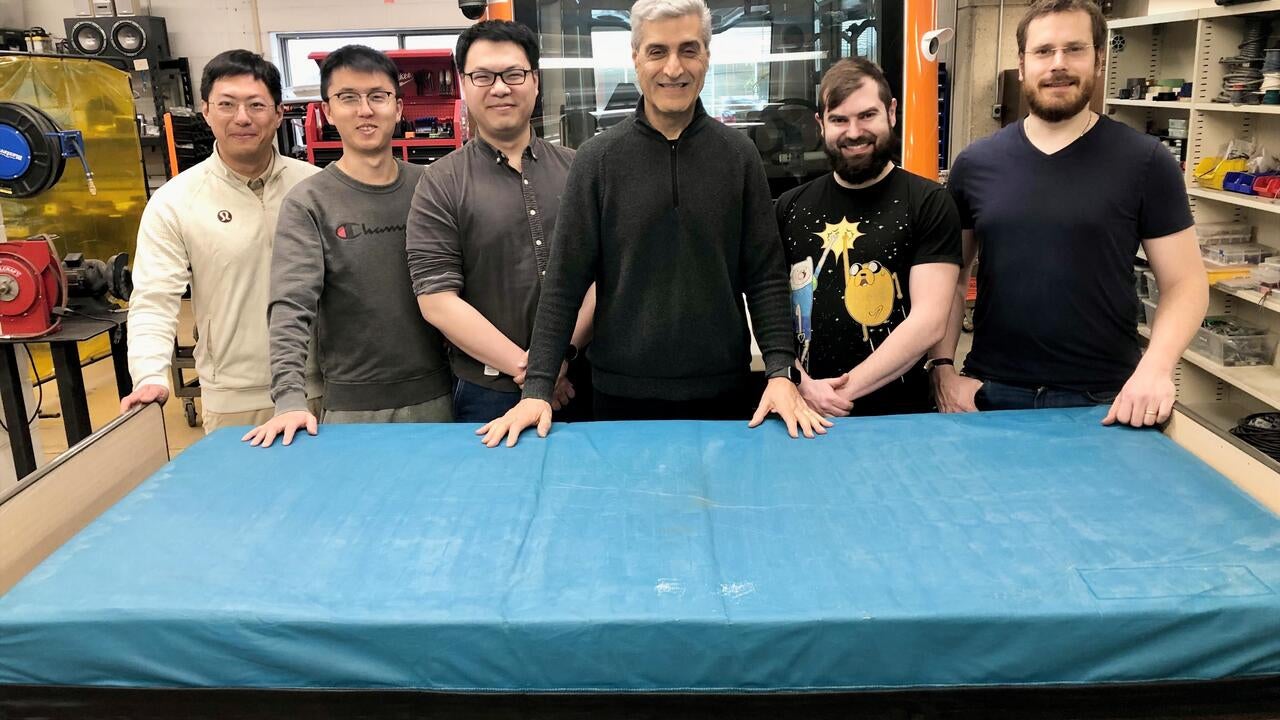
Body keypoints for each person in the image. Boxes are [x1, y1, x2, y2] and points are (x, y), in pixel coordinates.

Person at [478, 0, 829, 447]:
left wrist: (779, 372)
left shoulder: (739, 156)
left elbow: (764, 276)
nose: (673, 68)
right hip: (618, 399)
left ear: (707, 56)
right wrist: (537, 389)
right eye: (657, 51)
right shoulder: (597, 161)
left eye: (689, 49)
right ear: (636, 58)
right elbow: (564, 282)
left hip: (725, 395)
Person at [930, 0, 1207, 427]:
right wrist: (944, 368)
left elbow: (1185, 283)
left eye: (1074, 49)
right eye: (1044, 51)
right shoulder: (975, 164)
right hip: (991, 392)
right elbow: (952, 278)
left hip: (1105, 399)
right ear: (1022, 65)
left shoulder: (1145, 161)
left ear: (1099, 60)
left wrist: (1156, 367)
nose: (1058, 64)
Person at [244, 45, 452, 448]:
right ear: (327, 111)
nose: (365, 110)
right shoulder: (309, 202)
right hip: (352, 409)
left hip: (438, 398)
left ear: (398, 107)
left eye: (378, 96)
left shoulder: (431, 188)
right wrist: (289, 399)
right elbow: (290, 306)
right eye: (348, 97)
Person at [123, 50, 321, 432]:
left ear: (279, 113)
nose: (242, 117)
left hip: (320, 386)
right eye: (227, 104)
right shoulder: (176, 201)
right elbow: (153, 298)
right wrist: (149, 373)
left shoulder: (315, 187)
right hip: (234, 397)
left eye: (256, 105)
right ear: (206, 111)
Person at [407, 20, 593, 424]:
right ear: (463, 84)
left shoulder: (580, 169)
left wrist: (559, 359)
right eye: (483, 76)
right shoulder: (439, 182)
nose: (500, 88)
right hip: (486, 393)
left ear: (535, 81)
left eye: (513, 74)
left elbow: (603, 276)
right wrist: (536, 374)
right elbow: (437, 300)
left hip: (581, 381)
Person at [776, 58, 961, 418]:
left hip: (898, 417)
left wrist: (836, 395)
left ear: (891, 112)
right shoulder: (789, 207)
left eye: (867, 115)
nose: (854, 132)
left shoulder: (929, 203)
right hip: (801, 410)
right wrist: (799, 381)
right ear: (821, 125)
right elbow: (770, 307)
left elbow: (929, 320)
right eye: (839, 120)